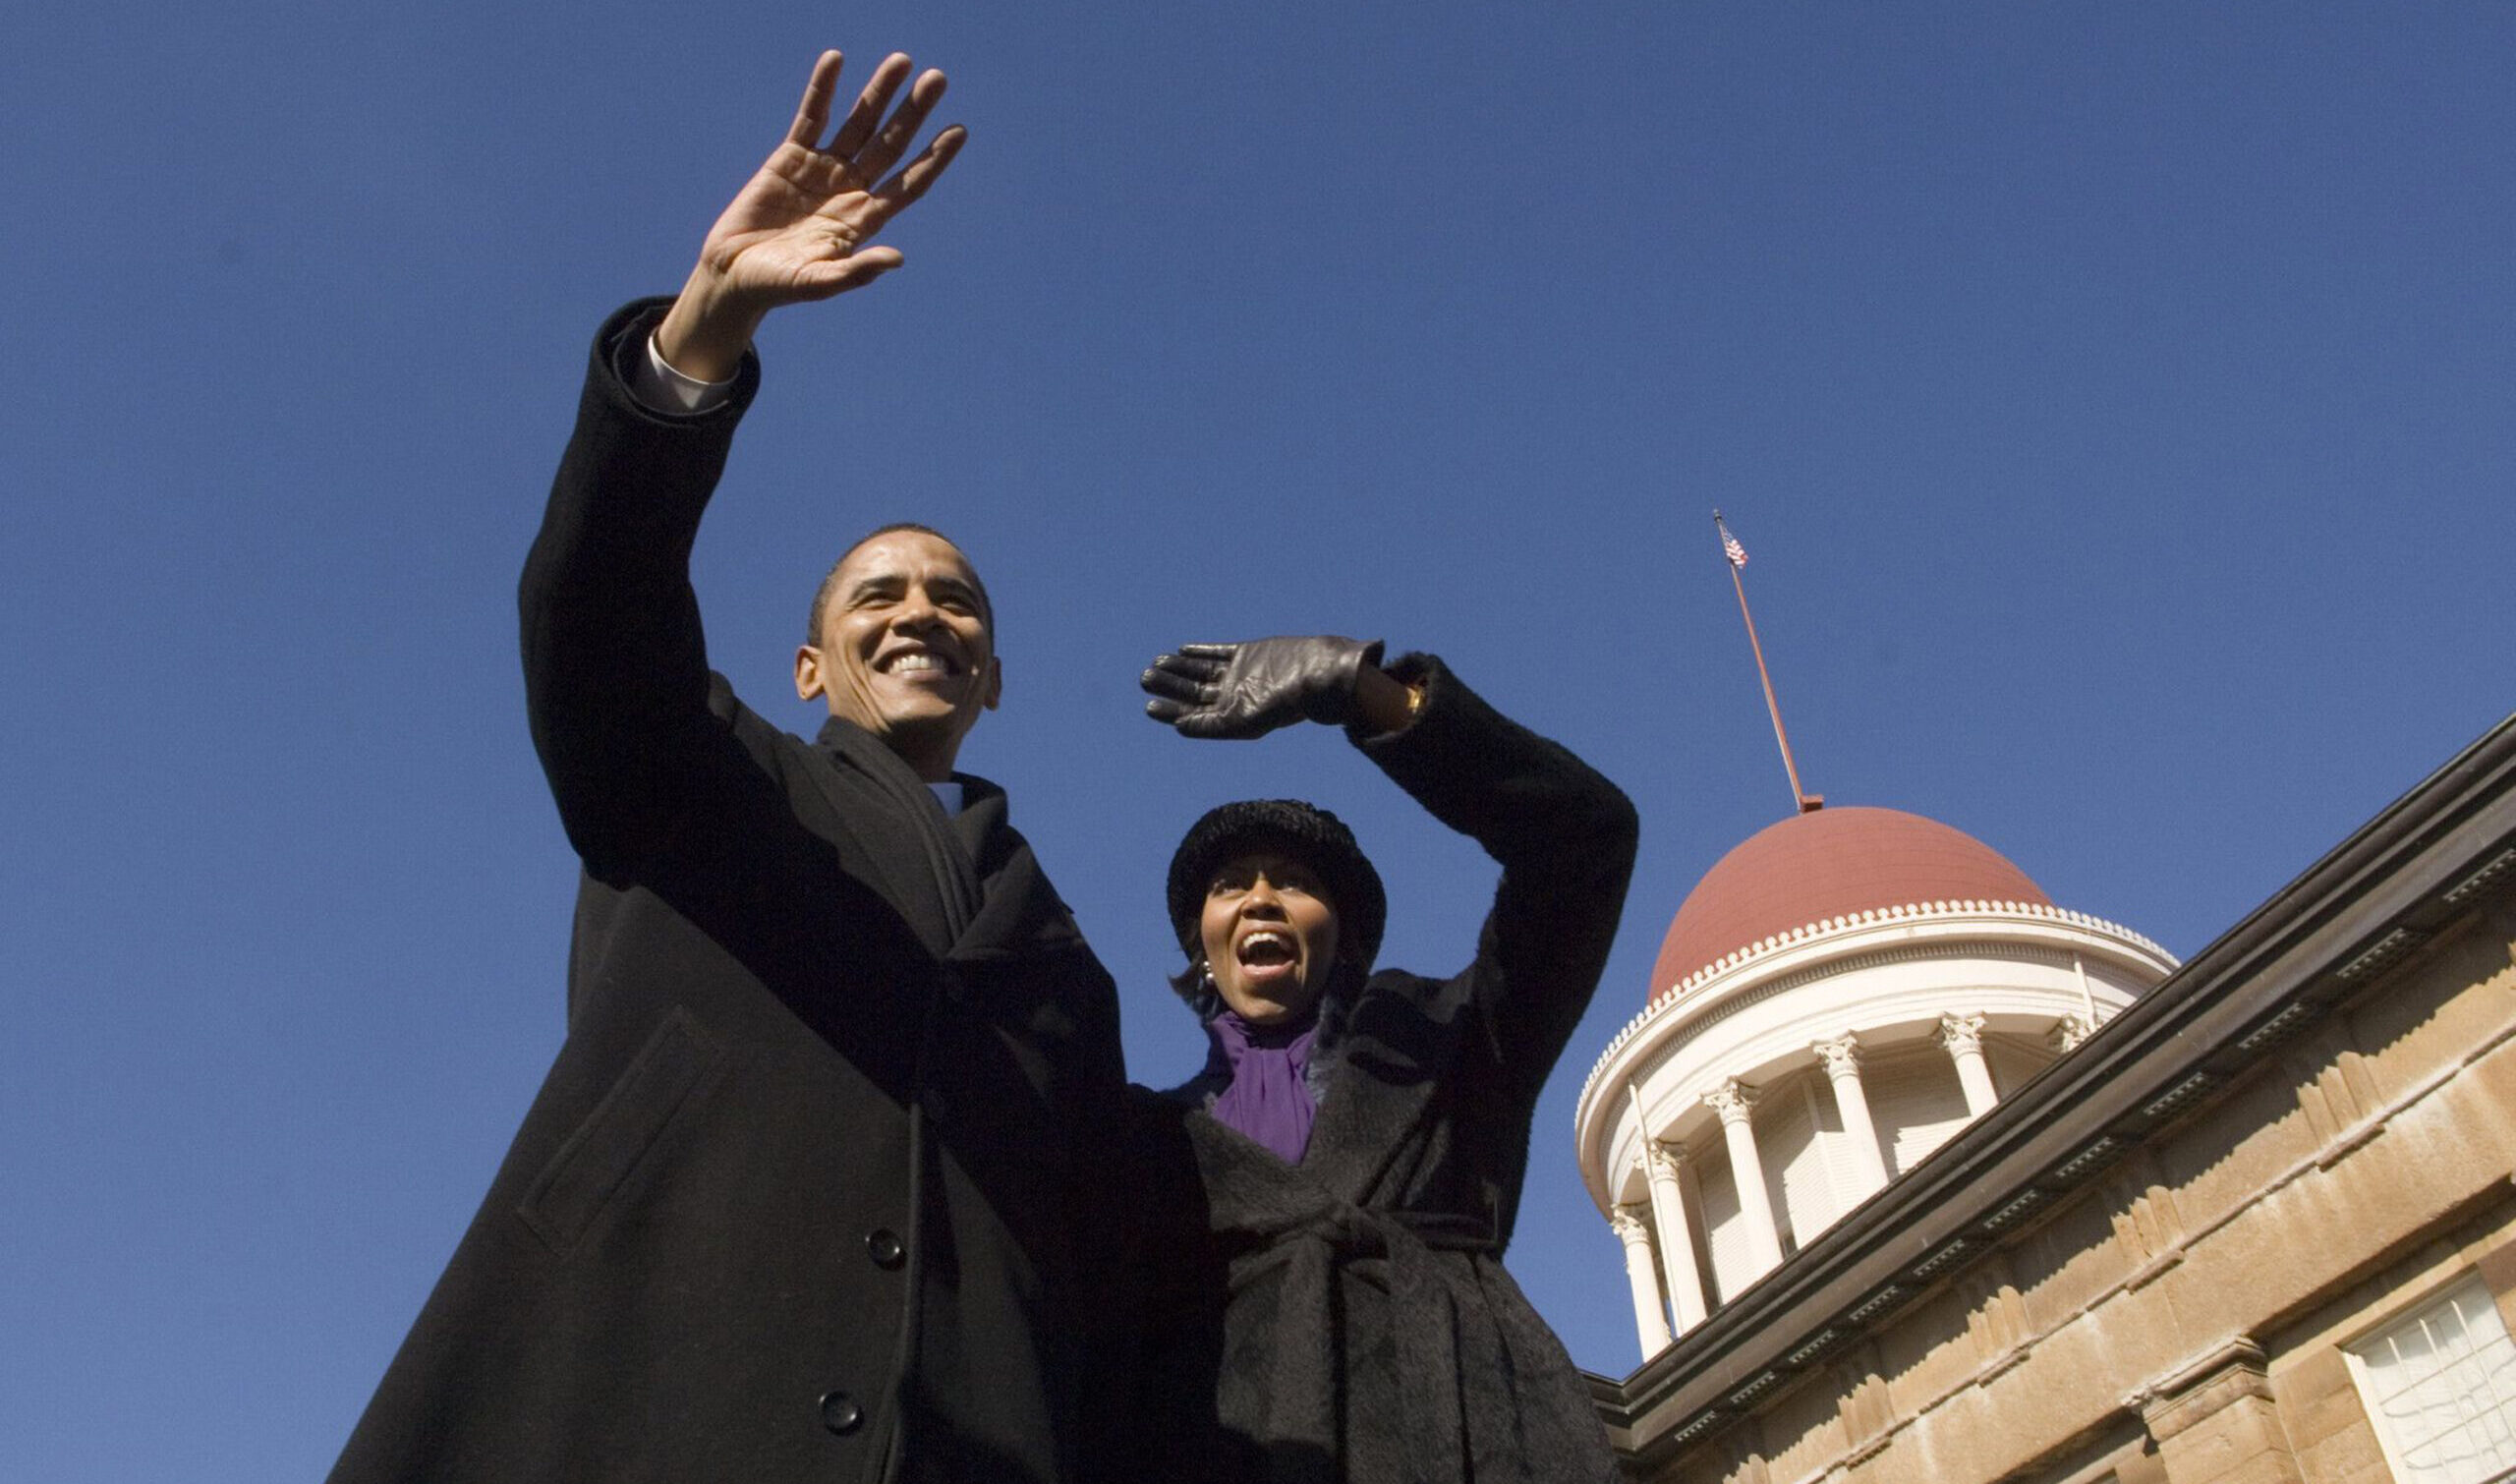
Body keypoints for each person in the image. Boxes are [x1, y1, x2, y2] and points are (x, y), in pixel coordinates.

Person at [327, 50, 1126, 1484]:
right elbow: (596, 609)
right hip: (647, 1383)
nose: (922, 610)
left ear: (997, 678)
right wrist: (701, 338)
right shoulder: (705, 773)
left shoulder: (1067, 968)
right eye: (877, 596)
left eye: (955, 600)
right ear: (809, 670)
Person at [1123, 636, 1639, 1483]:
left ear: (1344, 934)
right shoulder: (1143, 1143)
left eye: (1291, 880)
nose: (1258, 896)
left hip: (1469, 1444)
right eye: (1230, 886)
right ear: (1203, 944)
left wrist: (1364, 694)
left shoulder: (1455, 1047)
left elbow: (1582, 839)